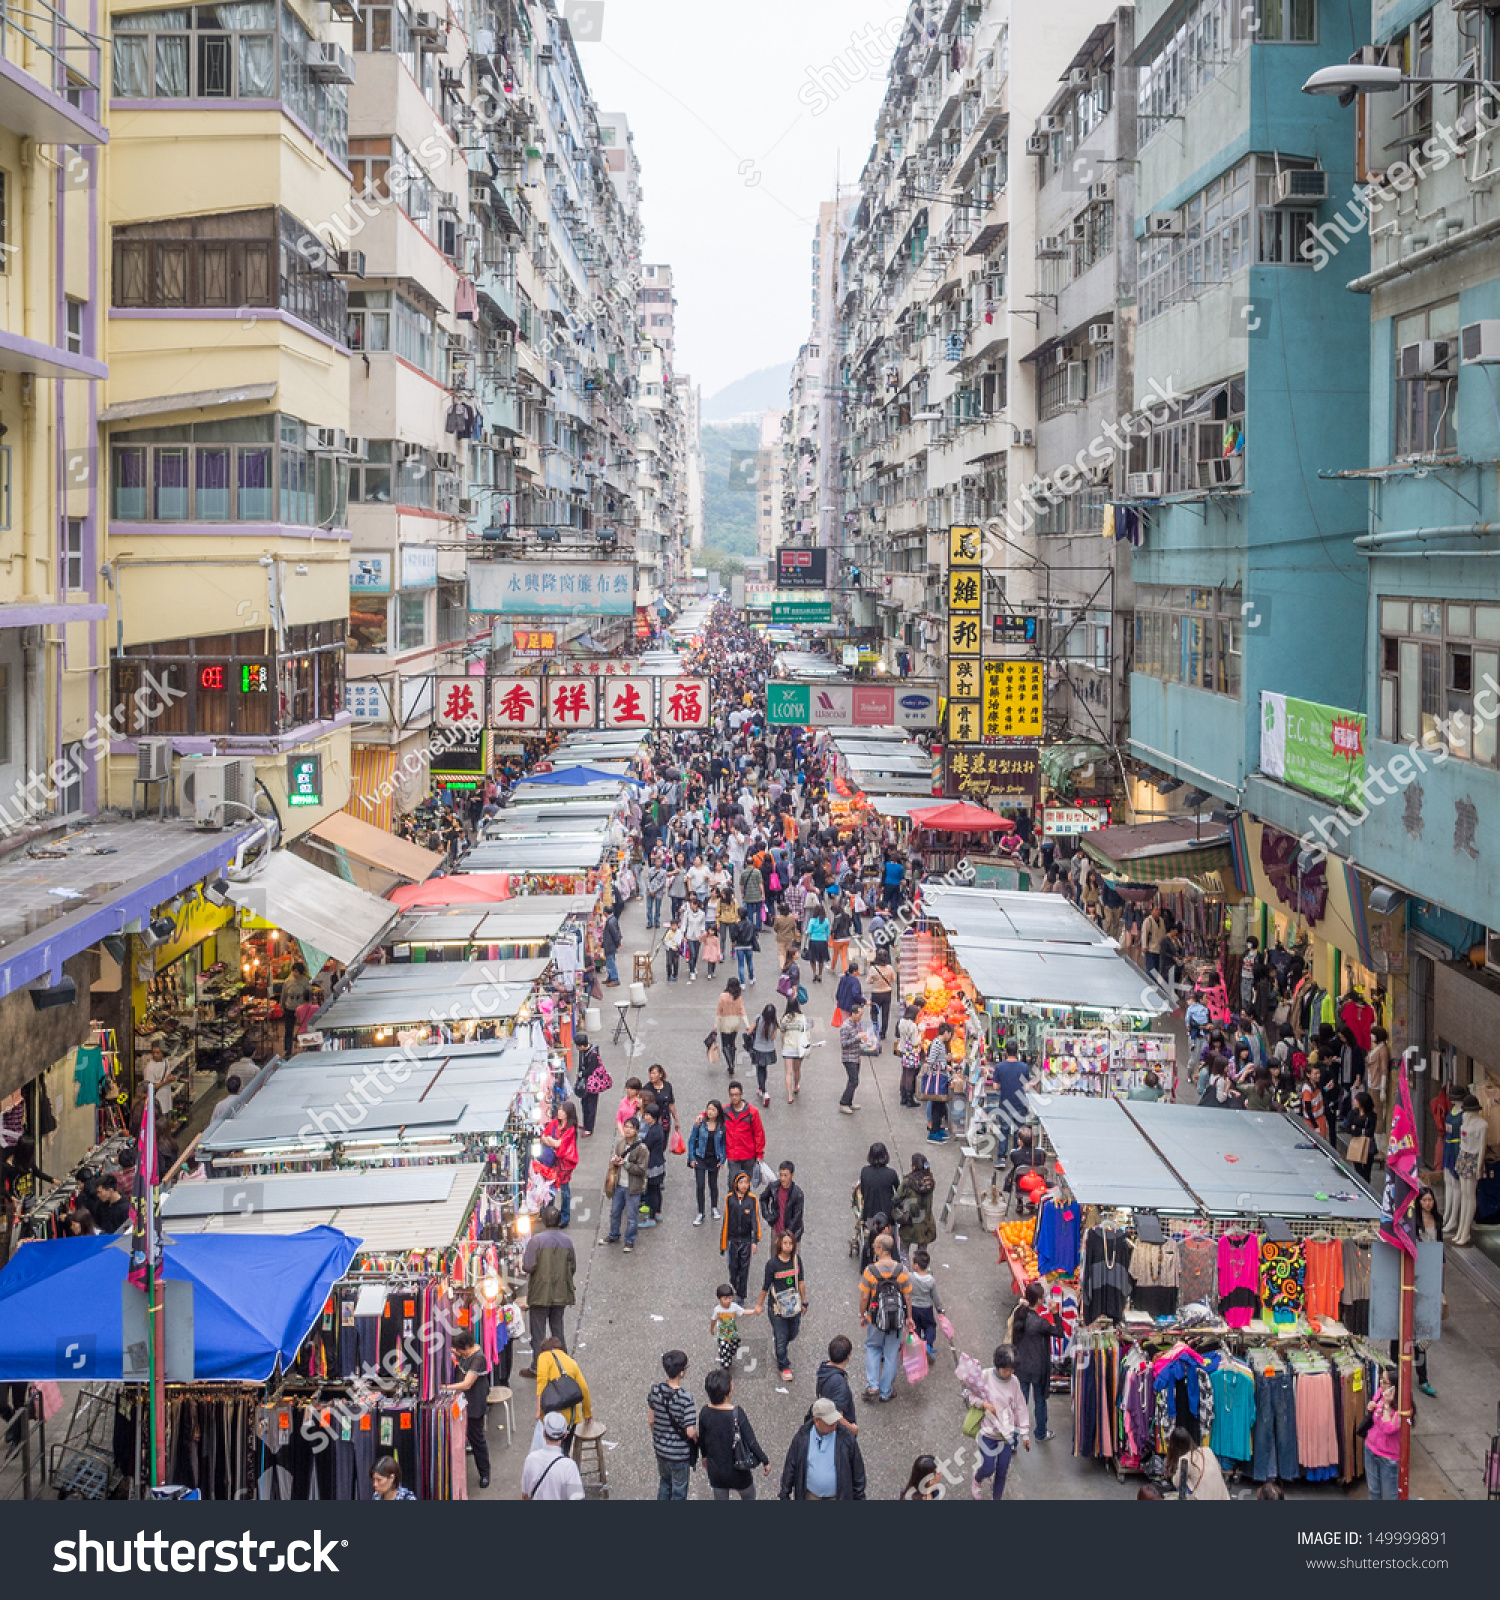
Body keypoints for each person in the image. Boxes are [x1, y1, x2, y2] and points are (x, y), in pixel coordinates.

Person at [966, 1343, 1031, 1501]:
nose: (1009, 1373)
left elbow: (1020, 1407)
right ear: (998, 1364)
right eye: (1006, 1369)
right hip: (987, 1434)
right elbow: (971, 1396)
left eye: (1012, 1369)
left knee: (1002, 1471)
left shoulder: (1014, 1382)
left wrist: (1025, 1433)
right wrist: (984, 1404)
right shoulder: (985, 1376)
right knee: (988, 1468)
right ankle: (977, 1479)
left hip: (1006, 1436)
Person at [697, 1366, 769, 1500]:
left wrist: (704, 1457)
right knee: (749, 1496)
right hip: (738, 1470)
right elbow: (751, 1441)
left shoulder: (705, 1412)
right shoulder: (737, 1414)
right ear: (728, 1391)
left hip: (716, 1470)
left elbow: (702, 1440)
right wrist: (765, 1461)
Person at [519, 1205, 575, 1376]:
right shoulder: (567, 1241)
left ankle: (538, 1367)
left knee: (538, 1333)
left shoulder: (536, 1241)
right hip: (561, 1292)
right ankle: (563, 1365)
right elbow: (572, 1267)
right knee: (558, 1329)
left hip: (540, 1293)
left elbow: (528, 1266)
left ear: (543, 1221)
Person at [859, 1233, 913, 1403]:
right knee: (891, 1354)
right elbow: (908, 1298)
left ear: (881, 1250)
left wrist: (863, 1315)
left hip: (876, 1318)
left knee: (873, 1348)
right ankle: (885, 1391)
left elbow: (864, 1297)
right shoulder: (902, 1270)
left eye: (875, 1246)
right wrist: (908, 1318)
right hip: (896, 1319)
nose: (874, 1248)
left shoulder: (871, 1271)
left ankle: (873, 1385)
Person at [779, 1397, 867, 1500]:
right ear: (816, 1420)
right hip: (811, 1496)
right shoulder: (802, 1437)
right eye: (829, 1423)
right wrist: (784, 1493)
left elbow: (858, 1472)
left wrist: (860, 1497)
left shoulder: (846, 1439)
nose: (834, 1425)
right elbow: (791, 1465)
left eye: (835, 1421)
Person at [1008, 1281, 1059, 1440]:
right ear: (1038, 1300)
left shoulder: (1020, 1314)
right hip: (1037, 1368)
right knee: (1040, 1401)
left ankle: (1014, 1440)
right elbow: (1060, 1332)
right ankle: (1041, 1433)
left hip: (1021, 1366)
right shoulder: (1040, 1323)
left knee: (1020, 1405)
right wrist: (1055, 1313)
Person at [753, 1230, 807, 1380]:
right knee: (781, 1335)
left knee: (793, 1333)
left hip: (793, 1306)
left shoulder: (797, 1260)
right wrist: (759, 1305)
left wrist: (804, 1301)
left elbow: (801, 1282)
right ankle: (783, 1365)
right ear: (779, 1244)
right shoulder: (772, 1264)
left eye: (790, 1243)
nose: (788, 1246)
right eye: (785, 1243)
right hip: (777, 1307)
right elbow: (765, 1286)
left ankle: (779, 1347)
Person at [647, 1350, 698, 1501]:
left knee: (665, 1483)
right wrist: (696, 1436)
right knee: (679, 1491)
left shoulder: (655, 1391)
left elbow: (651, 1420)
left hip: (661, 1450)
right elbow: (690, 1432)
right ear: (681, 1372)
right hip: (679, 1455)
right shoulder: (685, 1399)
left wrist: (659, 1437)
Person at [445, 1329, 491, 1490]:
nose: (456, 1352)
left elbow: (467, 1384)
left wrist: (444, 1387)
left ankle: (485, 1473)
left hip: (474, 1405)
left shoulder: (478, 1359)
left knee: (477, 1439)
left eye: (458, 1350)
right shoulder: (466, 1353)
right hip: (463, 1402)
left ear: (464, 1348)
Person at [532, 1336, 591, 1449]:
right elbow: (584, 1389)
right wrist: (587, 1413)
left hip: (551, 1416)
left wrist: (539, 1410)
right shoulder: (571, 1362)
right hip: (571, 1418)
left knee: (549, 1451)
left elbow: (541, 1383)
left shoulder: (544, 1357)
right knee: (564, 1450)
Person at [605, 1116, 649, 1251]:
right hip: (619, 1184)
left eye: (631, 1128)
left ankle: (630, 1240)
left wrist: (627, 1164)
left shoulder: (642, 1149)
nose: (628, 1130)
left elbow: (642, 1169)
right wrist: (615, 1161)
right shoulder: (620, 1143)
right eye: (626, 1127)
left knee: (631, 1216)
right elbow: (616, 1156)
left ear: (636, 1131)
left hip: (633, 1187)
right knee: (614, 1212)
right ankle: (614, 1234)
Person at [521, 1411, 585, 1500]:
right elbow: (577, 1498)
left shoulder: (531, 1459)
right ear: (565, 1435)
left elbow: (525, 1495)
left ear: (543, 1433)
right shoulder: (569, 1466)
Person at [1452, 1093, 1488, 1248]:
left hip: (1473, 1157)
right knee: (1464, 1193)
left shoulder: (1482, 1125)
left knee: (1470, 1195)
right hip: (1463, 1154)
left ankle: (1465, 1232)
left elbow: (1482, 1147)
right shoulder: (1464, 1119)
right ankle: (1460, 1230)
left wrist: (1479, 1167)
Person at [720, 1168, 761, 1301]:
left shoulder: (752, 1199)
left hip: (746, 1240)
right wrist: (723, 1242)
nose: (744, 1185)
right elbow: (726, 1220)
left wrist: (755, 1240)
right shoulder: (730, 1199)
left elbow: (755, 1220)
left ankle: (741, 1295)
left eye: (746, 1182)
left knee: (744, 1269)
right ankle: (734, 1286)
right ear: (736, 1184)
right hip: (732, 1239)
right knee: (733, 1268)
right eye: (741, 1182)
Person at [538, 1102, 580, 1226]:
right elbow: (543, 1136)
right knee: (550, 1187)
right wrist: (552, 1141)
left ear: (568, 1113)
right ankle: (549, 1213)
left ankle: (565, 1216)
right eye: (559, 1109)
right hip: (552, 1161)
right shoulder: (554, 1123)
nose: (559, 1112)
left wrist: (550, 1141)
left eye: (562, 1110)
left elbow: (559, 1145)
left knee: (564, 1190)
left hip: (564, 1164)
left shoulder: (570, 1129)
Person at [1163, 1423, 1230, 1499]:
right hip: (1223, 1497)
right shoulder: (1207, 1450)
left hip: (1204, 1498)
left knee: (1182, 1484)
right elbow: (1219, 1469)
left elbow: (1176, 1482)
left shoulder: (1185, 1459)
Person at [687, 1097, 726, 1226]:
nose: (710, 1112)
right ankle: (700, 1212)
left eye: (713, 1110)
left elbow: (724, 1144)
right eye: (709, 1109)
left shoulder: (721, 1126)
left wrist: (722, 1159)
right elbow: (692, 1140)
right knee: (700, 1185)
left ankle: (714, 1207)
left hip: (714, 1159)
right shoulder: (700, 1123)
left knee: (713, 1184)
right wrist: (692, 1157)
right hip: (700, 1158)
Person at [838, 1000, 879, 1114]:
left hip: (855, 1056)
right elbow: (844, 1043)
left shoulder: (855, 1024)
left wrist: (863, 1040)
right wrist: (857, 1037)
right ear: (853, 1014)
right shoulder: (845, 1026)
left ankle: (849, 1102)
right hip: (849, 1058)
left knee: (854, 1080)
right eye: (859, 1014)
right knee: (854, 1081)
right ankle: (843, 1102)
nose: (861, 1017)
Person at [722, 1079, 765, 1188]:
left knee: (745, 1186)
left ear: (742, 1094)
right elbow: (711, 1114)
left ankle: (745, 1205)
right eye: (731, 1095)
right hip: (733, 1155)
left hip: (748, 1156)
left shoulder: (752, 1112)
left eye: (736, 1095)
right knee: (733, 1184)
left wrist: (759, 1153)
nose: (734, 1097)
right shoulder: (724, 1111)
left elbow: (758, 1133)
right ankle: (732, 1204)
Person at [894, 1152, 937, 1250]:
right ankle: (922, 1265)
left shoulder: (907, 1182)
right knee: (922, 1252)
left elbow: (896, 1199)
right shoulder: (930, 1182)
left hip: (910, 1223)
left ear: (913, 1167)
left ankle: (905, 1266)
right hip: (926, 1223)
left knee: (904, 1251)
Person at [907, 1248, 943, 1362]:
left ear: (916, 1265)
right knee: (930, 1326)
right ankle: (928, 1345)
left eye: (913, 1262)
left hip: (913, 1308)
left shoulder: (910, 1277)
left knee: (915, 1328)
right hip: (926, 1308)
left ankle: (917, 1350)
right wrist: (939, 1309)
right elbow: (935, 1296)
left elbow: (906, 1293)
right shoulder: (931, 1280)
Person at [760, 1159, 805, 1241]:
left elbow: (796, 1217)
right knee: (774, 1253)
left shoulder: (797, 1194)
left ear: (792, 1175)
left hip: (792, 1235)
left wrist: (786, 1236)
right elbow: (763, 1198)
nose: (782, 1178)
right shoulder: (774, 1187)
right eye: (781, 1175)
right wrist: (768, 1215)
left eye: (785, 1175)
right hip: (776, 1230)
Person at [856, 1142, 899, 1225]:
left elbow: (863, 1191)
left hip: (869, 1214)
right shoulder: (891, 1173)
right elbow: (899, 1193)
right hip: (887, 1215)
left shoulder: (864, 1171)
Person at [715, 977, 751, 1074]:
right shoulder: (738, 997)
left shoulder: (723, 996)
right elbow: (742, 1011)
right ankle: (732, 1061)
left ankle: (730, 1063)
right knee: (732, 1043)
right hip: (735, 1022)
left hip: (725, 1022)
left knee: (725, 1046)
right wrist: (747, 1025)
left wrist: (715, 1025)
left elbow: (719, 1011)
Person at [779, 997, 810, 1104]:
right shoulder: (802, 1018)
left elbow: (782, 1032)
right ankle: (796, 1085)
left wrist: (783, 1044)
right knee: (797, 1070)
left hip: (788, 1047)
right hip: (799, 1048)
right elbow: (807, 1032)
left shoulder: (785, 1018)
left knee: (788, 1072)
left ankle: (789, 1095)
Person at [709, 1282, 747, 1369]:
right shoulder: (717, 1310)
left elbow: (743, 1312)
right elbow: (713, 1319)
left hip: (733, 1333)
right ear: (719, 1299)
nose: (728, 1301)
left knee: (735, 1346)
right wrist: (712, 1329)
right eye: (725, 1298)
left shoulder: (734, 1307)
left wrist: (754, 1311)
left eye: (730, 1298)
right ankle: (725, 1365)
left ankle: (727, 1355)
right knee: (725, 1352)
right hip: (722, 1335)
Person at [749, 1003, 779, 1108]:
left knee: (759, 1070)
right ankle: (762, 1088)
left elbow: (750, 1030)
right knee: (764, 1069)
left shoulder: (758, 1018)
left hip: (758, 1049)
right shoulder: (774, 1023)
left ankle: (764, 1091)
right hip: (769, 1049)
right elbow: (774, 1037)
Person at [279, 962, 312, 1054]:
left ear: (301, 972)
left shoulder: (306, 982)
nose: (295, 973)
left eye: (297, 971)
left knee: (303, 1029)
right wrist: (282, 1005)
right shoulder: (287, 981)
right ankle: (287, 1050)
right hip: (290, 1008)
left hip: (302, 1009)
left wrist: (309, 1006)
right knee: (288, 1030)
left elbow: (309, 995)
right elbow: (284, 994)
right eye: (293, 971)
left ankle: (304, 1049)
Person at [1346, 1089, 1378, 1184]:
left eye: (1356, 1100)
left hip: (1367, 1145)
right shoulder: (1353, 1113)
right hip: (1356, 1143)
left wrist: (1357, 1129)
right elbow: (1348, 1127)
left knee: (1367, 1171)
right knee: (1358, 1168)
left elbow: (1370, 1131)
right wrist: (1358, 1130)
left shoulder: (1372, 1116)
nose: (1354, 1101)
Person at [866, 952, 897, 1042]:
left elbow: (868, 981)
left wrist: (875, 981)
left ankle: (875, 1028)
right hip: (887, 992)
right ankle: (883, 1033)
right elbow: (893, 979)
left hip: (876, 992)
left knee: (874, 1012)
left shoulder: (873, 969)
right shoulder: (890, 968)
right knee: (885, 1013)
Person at [805, 904, 831, 984]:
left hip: (813, 941)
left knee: (812, 959)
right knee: (821, 959)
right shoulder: (826, 920)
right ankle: (820, 974)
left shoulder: (812, 920)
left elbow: (809, 931)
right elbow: (828, 932)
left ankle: (814, 973)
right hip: (822, 941)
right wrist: (827, 939)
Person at [601, 907, 622, 987]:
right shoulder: (613, 919)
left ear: (606, 913)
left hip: (610, 945)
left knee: (610, 963)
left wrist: (618, 943)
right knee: (609, 961)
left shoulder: (610, 922)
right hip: (610, 945)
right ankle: (610, 977)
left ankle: (614, 979)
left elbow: (615, 933)